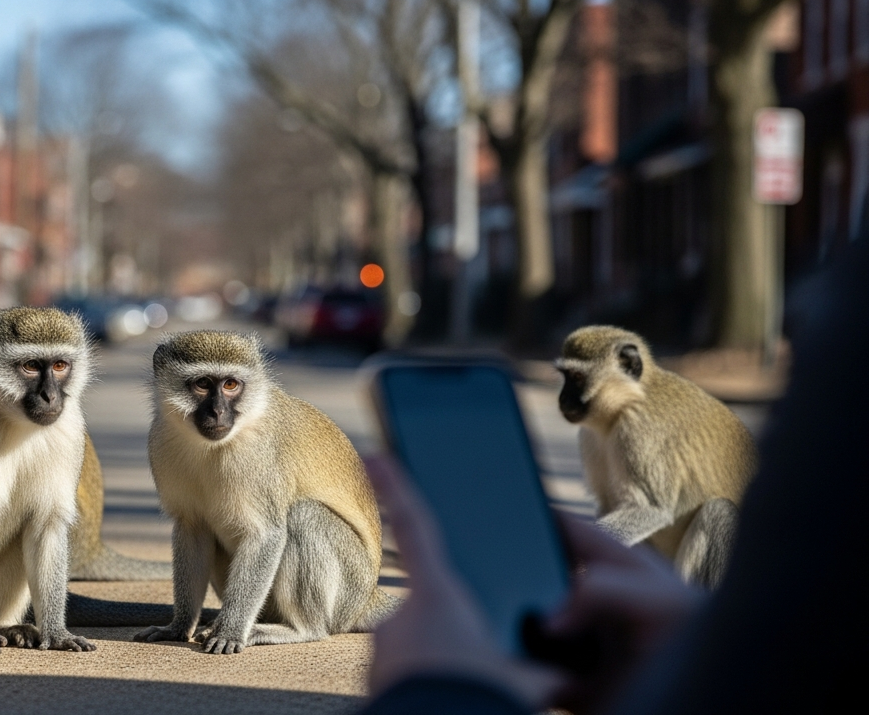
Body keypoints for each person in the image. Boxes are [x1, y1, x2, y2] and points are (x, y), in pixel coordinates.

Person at [361, 240, 867, 714]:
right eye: (565, 379)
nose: (569, 399)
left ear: (627, 367)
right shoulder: (593, 432)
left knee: (714, 514)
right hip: (673, 587)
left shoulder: (642, 421)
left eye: (581, 382)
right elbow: (615, 517)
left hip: (713, 553)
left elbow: (651, 510)